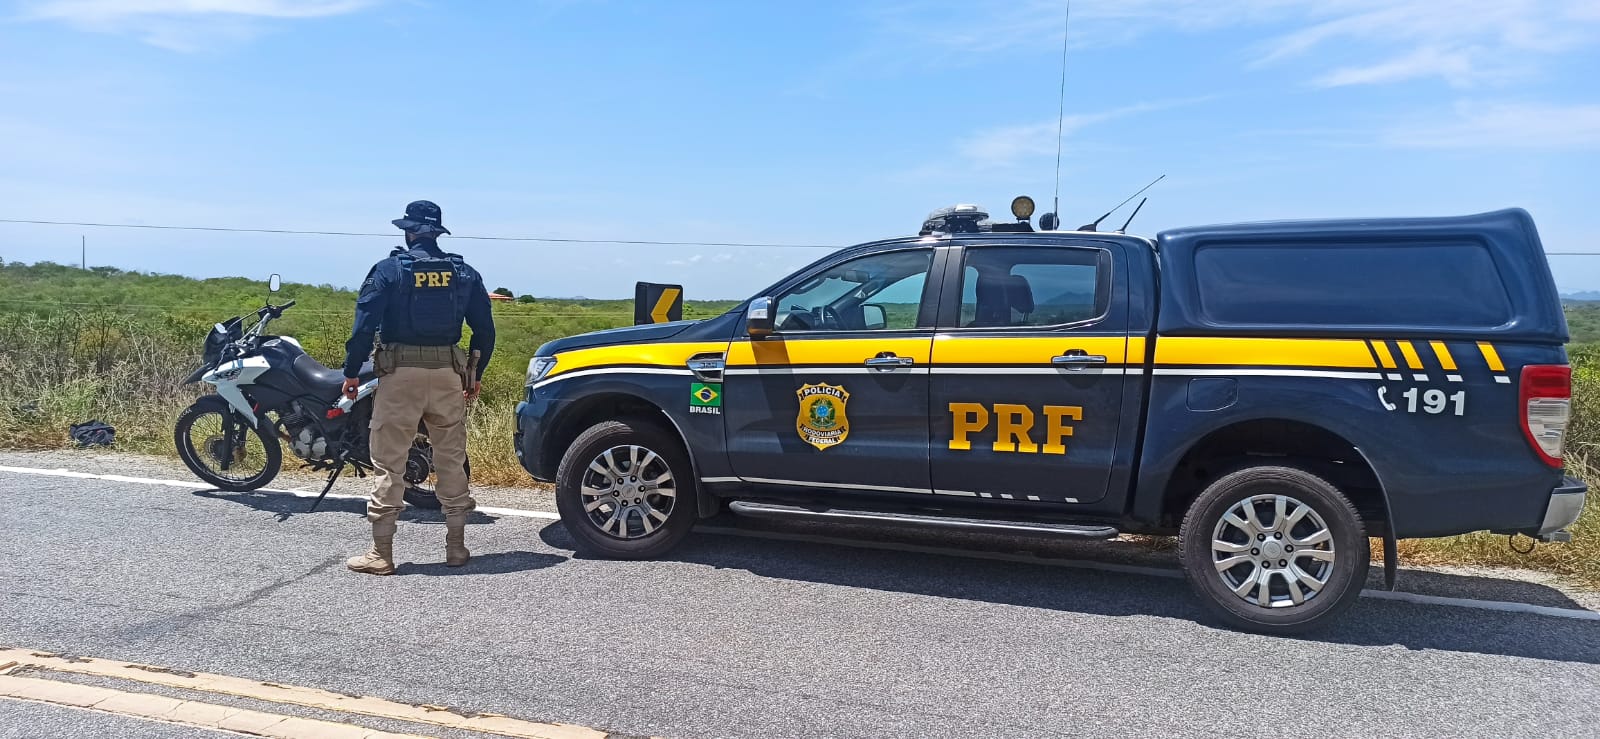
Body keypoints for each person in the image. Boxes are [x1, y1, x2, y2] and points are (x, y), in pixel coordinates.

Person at [341, 200, 495, 576]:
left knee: (389, 462)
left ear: (408, 231)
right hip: (447, 374)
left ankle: (382, 554)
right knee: (450, 458)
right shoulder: (464, 273)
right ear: (437, 233)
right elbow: (485, 331)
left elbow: (363, 327)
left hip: (400, 376)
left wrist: (351, 373)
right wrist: (474, 377)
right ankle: (457, 547)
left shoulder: (389, 270)